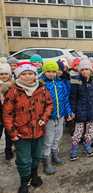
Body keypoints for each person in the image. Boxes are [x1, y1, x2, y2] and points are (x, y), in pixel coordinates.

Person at [3, 62, 53, 193]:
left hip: (38, 131)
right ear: (19, 75)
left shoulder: (42, 89)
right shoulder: (13, 91)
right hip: (21, 134)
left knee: (37, 156)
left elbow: (49, 104)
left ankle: (34, 175)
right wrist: (12, 133)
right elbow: (7, 114)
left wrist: (44, 118)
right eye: (24, 74)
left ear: (35, 75)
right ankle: (24, 181)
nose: (27, 76)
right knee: (24, 160)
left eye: (30, 73)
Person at [40, 61, 73, 175]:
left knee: (58, 137)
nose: (51, 74)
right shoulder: (42, 84)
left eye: (53, 71)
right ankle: (47, 162)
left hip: (61, 115)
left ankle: (55, 155)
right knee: (48, 140)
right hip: (49, 117)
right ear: (44, 71)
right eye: (48, 71)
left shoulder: (61, 83)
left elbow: (65, 99)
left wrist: (68, 111)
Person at [69, 59, 93, 161]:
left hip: (92, 111)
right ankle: (74, 149)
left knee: (90, 131)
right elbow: (73, 98)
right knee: (78, 132)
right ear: (80, 70)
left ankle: (87, 145)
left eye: (87, 69)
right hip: (80, 111)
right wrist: (73, 111)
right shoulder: (76, 81)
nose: (85, 71)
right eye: (82, 69)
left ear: (90, 70)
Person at [0, 62, 14, 161]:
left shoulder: (13, 85)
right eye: (1, 74)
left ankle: (8, 151)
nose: (4, 76)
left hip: (10, 114)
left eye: (6, 74)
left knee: (9, 134)